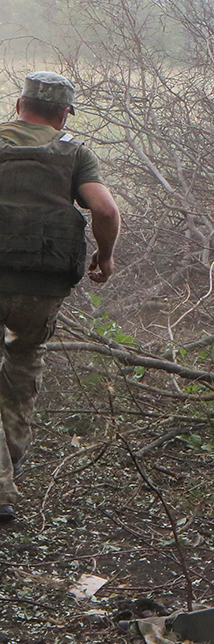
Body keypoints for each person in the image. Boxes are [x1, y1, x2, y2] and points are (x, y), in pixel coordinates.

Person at [0, 71, 120, 527]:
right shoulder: (73, 153)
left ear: (18, 105)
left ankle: (0, 489)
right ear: (64, 113)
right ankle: (12, 457)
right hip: (41, 285)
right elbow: (105, 210)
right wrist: (104, 258)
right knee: (25, 360)